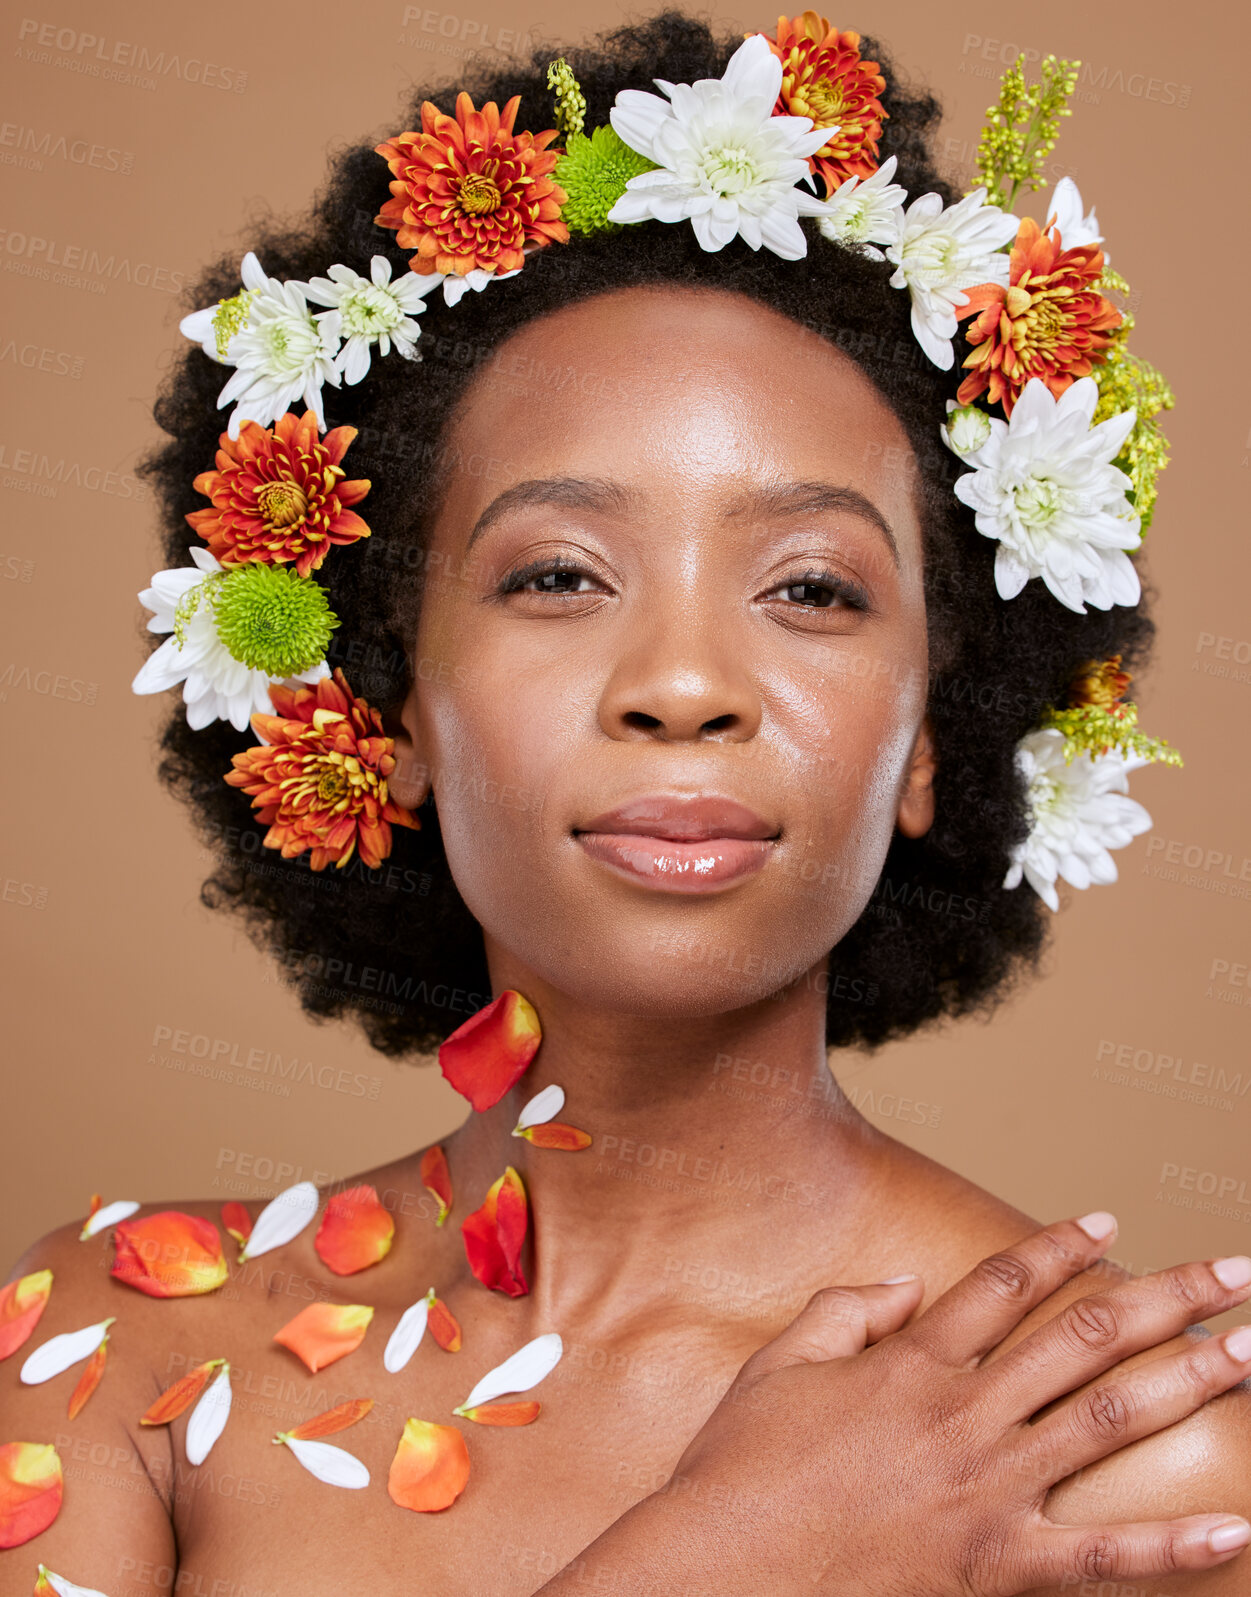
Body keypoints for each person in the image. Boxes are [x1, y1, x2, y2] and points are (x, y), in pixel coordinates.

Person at [3, 10, 1248, 1595]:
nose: (681, 682)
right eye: (556, 574)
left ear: (939, 731)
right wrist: (734, 1552)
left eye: (809, 586)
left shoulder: (1108, 1457)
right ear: (388, 708)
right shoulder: (115, 1343)